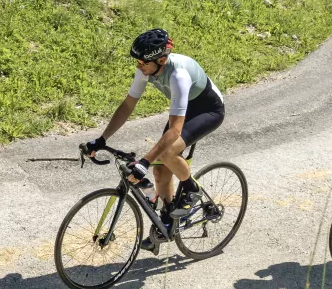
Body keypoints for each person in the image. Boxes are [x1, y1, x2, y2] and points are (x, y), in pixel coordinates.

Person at [83, 28, 226, 250]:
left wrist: (145, 162)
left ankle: (191, 189)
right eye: (138, 62)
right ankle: (167, 222)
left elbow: (175, 130)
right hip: (183, 109)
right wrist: (102, 139)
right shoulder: (146, 69)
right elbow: (128, 106)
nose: (139, 66)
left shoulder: (178, 75)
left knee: (167, 153)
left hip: (208, 110)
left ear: (161, 60)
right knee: (160, 172)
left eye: (143, 62)